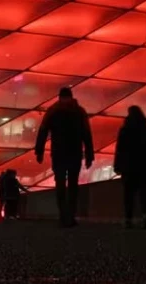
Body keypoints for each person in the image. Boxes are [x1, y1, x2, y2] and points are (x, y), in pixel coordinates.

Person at [35, 87, 94, 228]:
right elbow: (87, 133)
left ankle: (62, 215)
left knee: (60, 183)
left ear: (59, 96)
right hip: (75, 152)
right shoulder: (79, 111)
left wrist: (39, 151)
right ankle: (71, 216)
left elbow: (43, 131)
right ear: (71, 96)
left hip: (58, 152)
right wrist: (89, 154)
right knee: (73, 185)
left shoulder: (53, 110)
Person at [114, 106, 146, 229]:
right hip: (143, 167)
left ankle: (128, 219)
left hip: (128, 168)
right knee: (144, 193)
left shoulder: (125, 130)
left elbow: (119, 150)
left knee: (128, 195)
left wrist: (117, 166)